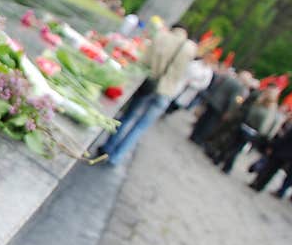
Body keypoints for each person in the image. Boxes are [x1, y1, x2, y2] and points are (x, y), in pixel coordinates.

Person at [99, 25, 197, 165]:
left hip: (149, 84)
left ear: (173, 29)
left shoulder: (162, 37)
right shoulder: (190, 49)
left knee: (128, 117)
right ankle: (116, 157)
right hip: (166, 92)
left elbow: (144, 61)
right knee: (140, 127)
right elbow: (183, 74)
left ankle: (107, 147)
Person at [215, 86, 280, 174]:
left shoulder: (260, 102)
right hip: (251, 131)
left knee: (232, 144)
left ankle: (220, 159)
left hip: (246, 126)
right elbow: (265, 125)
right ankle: (226, 165)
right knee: (236, 148)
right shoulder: (268, 107)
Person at [189, 66, 246, 145]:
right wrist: (229, 111)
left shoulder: (229, 78)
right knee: (210, 123)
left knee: (204, 118)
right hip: (221, 106)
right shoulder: (240, 87)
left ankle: (193, 135)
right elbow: (234, 101)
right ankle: (199, 138)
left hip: (213, 100)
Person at [249, 120, 292, 196]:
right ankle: (260, 186)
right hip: (286, 156)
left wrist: (272, 146)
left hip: (279, 152)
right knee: (271, 172)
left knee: (267, 169)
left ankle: (257, 184)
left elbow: (283, 140)